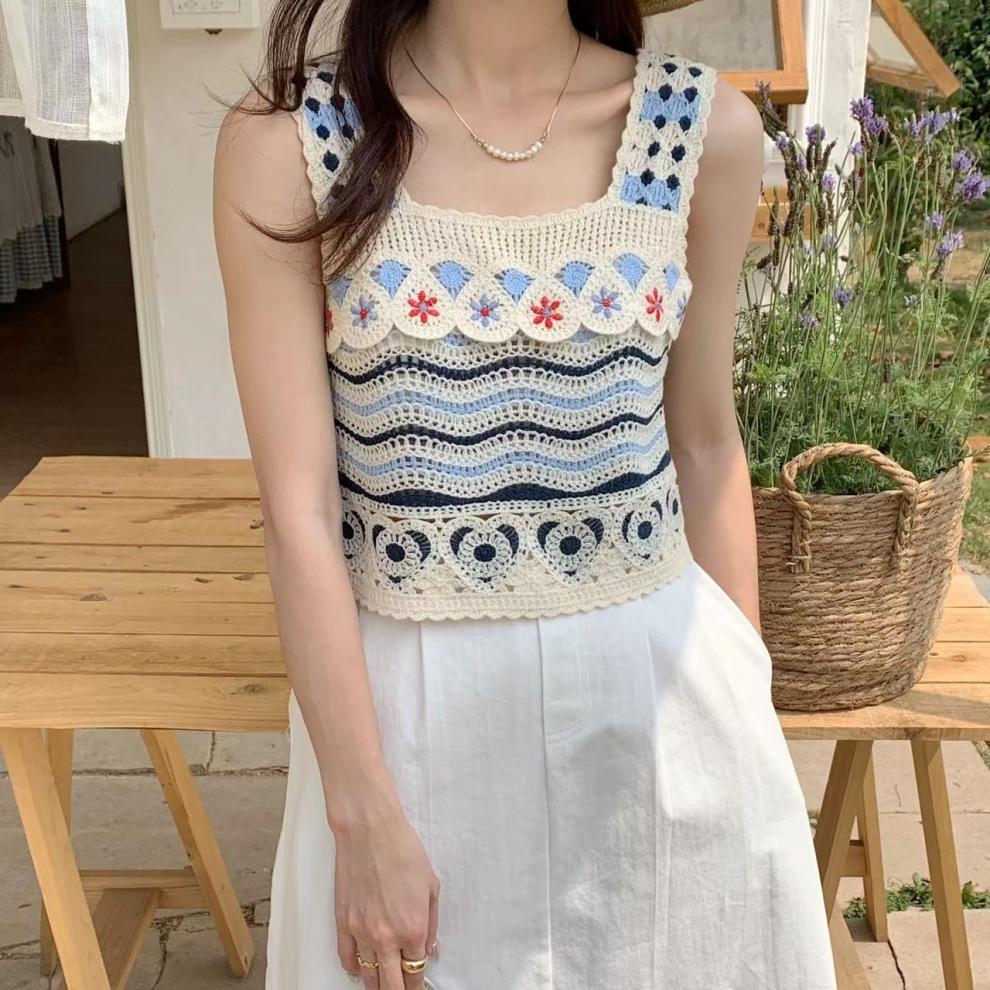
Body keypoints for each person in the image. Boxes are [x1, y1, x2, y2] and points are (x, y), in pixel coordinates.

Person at [213, 1, 837, 987]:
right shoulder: (288, 144)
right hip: (412, 736)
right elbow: (300, 513)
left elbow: (707, 442)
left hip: (666, 716)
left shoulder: (701, 129)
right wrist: (362, 815)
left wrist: (747, 713)